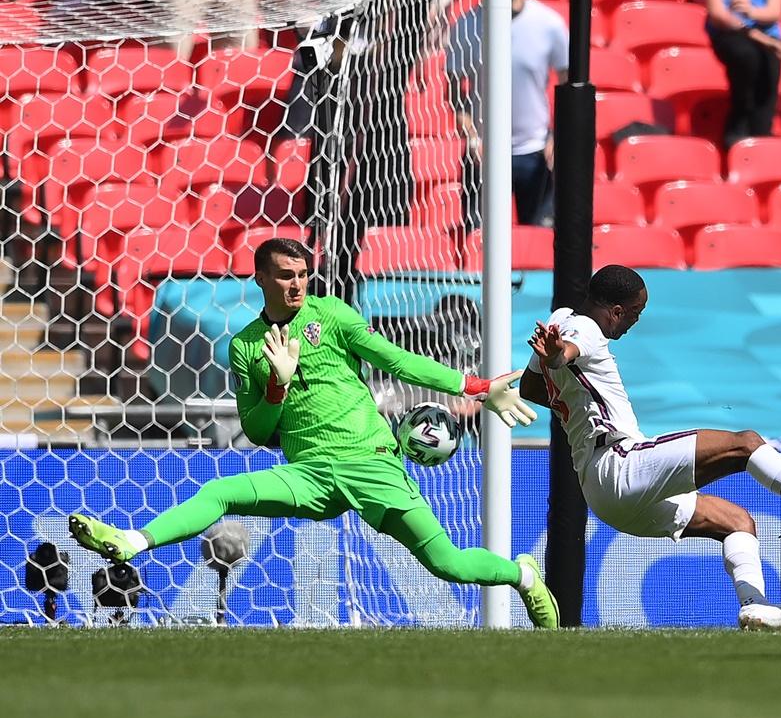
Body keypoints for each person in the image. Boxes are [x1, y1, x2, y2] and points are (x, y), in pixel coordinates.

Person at [66, 238, 560, 629]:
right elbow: (259, 432)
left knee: (446, 564)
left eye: (303, 274)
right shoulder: (246, 347)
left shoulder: (332, 315)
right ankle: (132, 540)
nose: (297, 284)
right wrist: (277, 387)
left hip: (371, 464)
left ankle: (522, 575)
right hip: (308, 474)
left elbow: (396, 360)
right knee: (219, 492)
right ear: (260, 278)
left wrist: (474, 387)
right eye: (285, 276)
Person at [520, 265, 781, 631]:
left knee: (736, 522)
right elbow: (566, 351)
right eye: (636, 312)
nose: (637, 320)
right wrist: (558, 356)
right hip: (620, 464)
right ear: (617, 311)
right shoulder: (585, 328)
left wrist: (561, 379)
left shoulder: (560, 318)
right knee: (746, 445)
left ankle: (756, 607)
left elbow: (530, 387)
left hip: (602, 494)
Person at [448, 0, 567, 229]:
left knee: (540, 242)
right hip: (483, 154)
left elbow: (567, 82)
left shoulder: (547, 24)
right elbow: (454, 89)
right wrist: (471, 136)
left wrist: (556, 136)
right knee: (479, 242)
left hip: (535, 153)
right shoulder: (466, 26)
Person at [704, 0, 781, 151]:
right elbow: (717, 14)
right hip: (729, 30)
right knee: (748, 57)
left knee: (770, 66)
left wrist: (750, 11)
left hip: (765, 31)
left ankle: (761, 142)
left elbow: (775, 11)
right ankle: (737, 133)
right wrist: (757, 36)